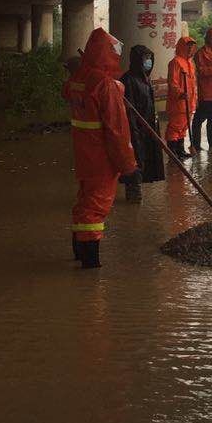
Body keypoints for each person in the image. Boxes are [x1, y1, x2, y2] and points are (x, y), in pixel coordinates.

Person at [62, 27, 140, 268]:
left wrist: (116, 88)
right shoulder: (104, 85)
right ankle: (89, 264)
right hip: (102, 157)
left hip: (84, 154)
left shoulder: (78, 79)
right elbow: (117, 132)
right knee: (95, 208)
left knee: (85, 202)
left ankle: (78, 252)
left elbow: (70, 92)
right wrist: (129, 166)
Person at [120, 43, 166, 197]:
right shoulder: (128, 80)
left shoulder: (146, 79)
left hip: (148, 126)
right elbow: (128, 110)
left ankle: (137, 191)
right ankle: (132, 194)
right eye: (145, 58)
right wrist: (134, 131)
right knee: (134, 159)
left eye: (150, 58)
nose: (149, 62)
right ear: (137, 60)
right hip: (135, 128)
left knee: (147, 158)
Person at [165, 35, 198, 159]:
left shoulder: (190, 62)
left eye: (192, 46)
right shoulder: (175, 62)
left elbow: (193, 84)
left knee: (184, 127)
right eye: (188, 46)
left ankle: (180, 150)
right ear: (181, 47)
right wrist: (180, 93)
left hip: (189, 103)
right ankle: (172, 152)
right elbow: (172, 82)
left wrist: (195, 99)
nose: (190, 49)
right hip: (178, 102)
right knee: (175, 127)